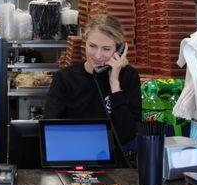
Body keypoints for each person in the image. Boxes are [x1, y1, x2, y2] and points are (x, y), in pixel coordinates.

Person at [44, 14, 142, 159]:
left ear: (119, 50)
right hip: (72, 158)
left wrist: (114, 83)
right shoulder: (64, 78)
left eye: (106, 49)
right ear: (85, 42)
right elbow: (50, 130)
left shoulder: (128, 77)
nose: (97, 55)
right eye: (92, 46)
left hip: (117, 164)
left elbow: (127, 134)